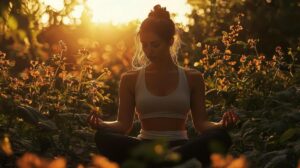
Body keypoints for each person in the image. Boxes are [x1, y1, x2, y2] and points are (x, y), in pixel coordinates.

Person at [87, 4, 239, 167]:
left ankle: (162, 161)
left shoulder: (192, 78)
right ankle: (167, 162)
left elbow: (201, 124)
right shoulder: (130, 79)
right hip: (145, 146)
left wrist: (221, 125)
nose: (148, 51)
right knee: (103, 137)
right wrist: (102, 124)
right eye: (144, 45)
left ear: (170, 41)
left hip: (181, 147)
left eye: (155, 44)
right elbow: (123, 125)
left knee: (221, 137)